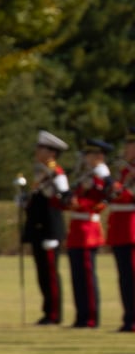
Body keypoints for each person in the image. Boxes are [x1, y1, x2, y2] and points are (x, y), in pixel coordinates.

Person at [59, 137, 112, 328]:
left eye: (89, 154)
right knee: (77, 278)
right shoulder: (86, 176)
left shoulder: (100, 178)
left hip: (88, 230)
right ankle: (81, 316)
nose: (85, 158)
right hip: (77, 230)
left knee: (87, 278)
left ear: (98, 157)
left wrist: (78, 204)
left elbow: (99, 202)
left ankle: (90, 317)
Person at [20, 130, 70, 325]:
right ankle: (48, 311)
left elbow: (62, 200)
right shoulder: (40, 172)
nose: (37, 150)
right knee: (42, 273)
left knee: (50, 273)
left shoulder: (56, 173)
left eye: (41, 148)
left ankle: (54, 313)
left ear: (51, 153)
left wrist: (52, 232)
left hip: (49, 230)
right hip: (38, 229)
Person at [108, 127, 135, 332]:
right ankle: (129, 318)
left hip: (132, 229)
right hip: (120, 229)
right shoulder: (125, 170)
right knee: (125, 278)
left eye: (130, 144)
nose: (126, 148)